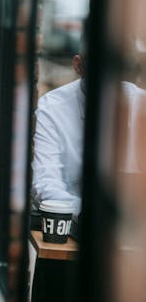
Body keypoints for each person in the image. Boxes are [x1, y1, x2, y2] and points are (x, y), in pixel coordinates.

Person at [32, 42, 141, 219]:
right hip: (75, 228)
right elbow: (46, 184)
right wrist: (96, 216)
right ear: (78, 65)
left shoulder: (141, 106)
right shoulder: (51, 110)